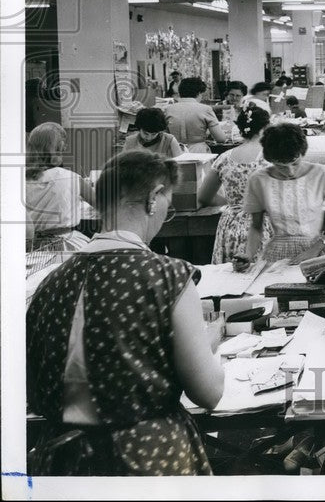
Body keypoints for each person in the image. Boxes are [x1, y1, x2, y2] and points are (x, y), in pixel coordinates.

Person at [26, 150, 223, 475]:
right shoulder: (168, 276)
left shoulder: (50, 283)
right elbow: (209, 393)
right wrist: (208, 344)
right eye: (167, 206)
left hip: (62, 465)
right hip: (148, 459)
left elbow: (35, 388)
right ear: (153, 198)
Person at [242, 123, 325, 266]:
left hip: (315, 251)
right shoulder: (258, 179)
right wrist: (248, 255)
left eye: (294, 163)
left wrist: (318, 247)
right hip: (277, 254)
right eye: (281, 166)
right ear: (270, 160)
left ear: (302, 152)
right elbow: (256, 227)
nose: (290, 172)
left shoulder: (323, 174)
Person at [197, 107, 274, 264]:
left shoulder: (224, 158)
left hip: (230, 226)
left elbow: (204, 197)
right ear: (266, 128)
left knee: (230, 281)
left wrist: (232, 204)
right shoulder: (272, 157)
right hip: (264, 226)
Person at [25, 123, 96, 250]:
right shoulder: (72, 178)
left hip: (32, 246)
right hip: (66, 242)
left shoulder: (18, 179)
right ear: (60, 149)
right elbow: (103, 203)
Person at [164, 77, 227, 153]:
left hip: (174, 151)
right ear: (199, 93)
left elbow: (165, 136)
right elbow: (220, 138)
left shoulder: (168, 109)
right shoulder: (205, 109)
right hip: (199, 151)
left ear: (180, 92)